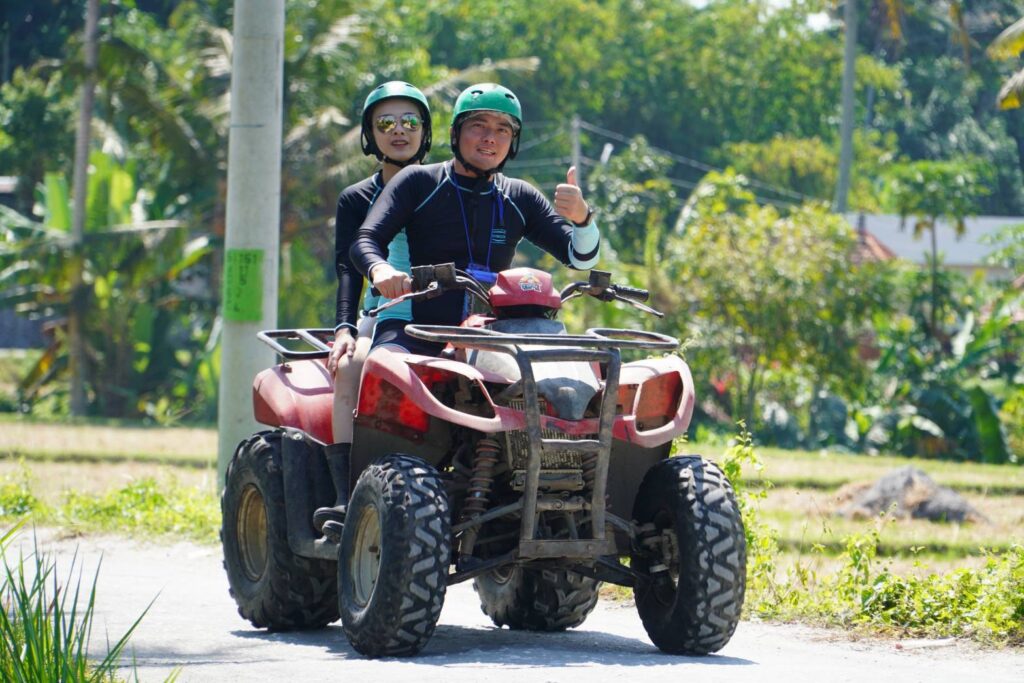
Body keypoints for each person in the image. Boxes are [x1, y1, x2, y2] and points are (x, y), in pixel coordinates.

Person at [350, 82, 599, 357]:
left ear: (512, 142)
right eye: (478, 125)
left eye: (503, 129)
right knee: (387, 371)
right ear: (455, 134)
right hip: (413, 329)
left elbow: (580, 258)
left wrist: (582, 219)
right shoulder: (417, 182)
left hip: (493, 333)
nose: (490, 137)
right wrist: (380, 270)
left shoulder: (520, 196)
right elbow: (365, 241)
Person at [314, 81, 432, 530]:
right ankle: (347, 495)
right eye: (385, 123)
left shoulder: (445, 188)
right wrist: (344, 328)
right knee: (350, 365)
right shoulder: (355, 198)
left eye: (409, 122)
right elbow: (349, 268)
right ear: (369, 133)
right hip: (381, 315)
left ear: (425, 131)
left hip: (449, 317)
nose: (398, 131)